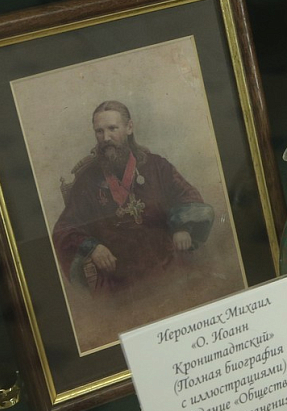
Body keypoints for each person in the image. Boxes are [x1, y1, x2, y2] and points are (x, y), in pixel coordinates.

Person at [52, 100, 215, 293]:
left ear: (129, 127)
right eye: (99, 131)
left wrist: (182, 227)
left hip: (167, 264)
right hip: (117, 277)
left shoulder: (157, 166)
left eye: (112, 128)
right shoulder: (87, 181)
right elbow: (64, 229)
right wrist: (93, 247)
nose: (106, 138)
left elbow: (189, 197)